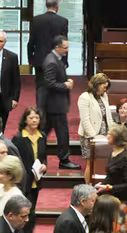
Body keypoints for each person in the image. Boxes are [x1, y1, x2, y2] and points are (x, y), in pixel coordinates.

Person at [41, 35, 78, 170]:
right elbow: (49, 83)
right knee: (63, 133)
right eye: (65, 48)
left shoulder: (56, 58)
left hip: (54, 104)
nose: (67, 50)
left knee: (44, 132)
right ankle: (64, 159)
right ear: (57, 47)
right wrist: (65, 85)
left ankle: (41, 158)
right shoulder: (51, 61)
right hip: (55, 105)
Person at [13, 106, 47, 233]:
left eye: (36, 118)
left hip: (36, 181)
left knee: (31, 214)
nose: (34, 120)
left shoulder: (42, 136)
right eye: (31, 118)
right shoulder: (19, 138)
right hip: (24, 182)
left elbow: (43, 156)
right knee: (26, 214)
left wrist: (44, 165)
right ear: (25, 120)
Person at [28, 0, 68, 110]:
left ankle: (41, 110)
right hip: (57, 60)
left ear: (46, 6)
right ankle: (54, 110)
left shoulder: (36, 20)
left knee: (41, 87)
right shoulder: (63, 21)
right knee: (56, 85)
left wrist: (31, 59)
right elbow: (64, 42)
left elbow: (31, 42)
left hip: (40, 59)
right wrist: (64, 61)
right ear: (57, 7)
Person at [78, 73, 113, 174]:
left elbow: (108, 116)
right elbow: (85, 120)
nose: (105, 90)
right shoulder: (85, 97)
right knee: (90, 163)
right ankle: (88, 187)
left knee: (102, 163)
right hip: (89, 136)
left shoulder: (104, 96)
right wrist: (94, 136)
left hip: (105, 135)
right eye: (104, 87)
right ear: (97, 84)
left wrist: (111, 131)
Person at [99, 124, 127, 199]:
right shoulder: (112, 153)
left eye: (109, 134)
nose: (107, 136)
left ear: (116, 137)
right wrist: (102, 186)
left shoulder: (125, 158)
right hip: (110, 194)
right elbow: (110, 176)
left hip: (121, 198)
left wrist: (109, 187)